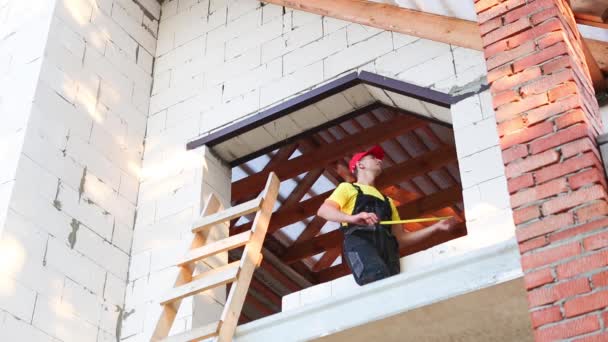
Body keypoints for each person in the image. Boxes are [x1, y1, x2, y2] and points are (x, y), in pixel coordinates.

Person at [317, 145, 460, 286]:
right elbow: (324, 210)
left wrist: (436, 228)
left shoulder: (388, 201)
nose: (379, 160)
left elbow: (401, 238)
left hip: (388, 252)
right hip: (361, 242)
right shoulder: (348, 188)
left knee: (393, 286)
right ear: (360, 165)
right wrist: (352, 218)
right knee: (377, 279)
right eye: (373, 158)